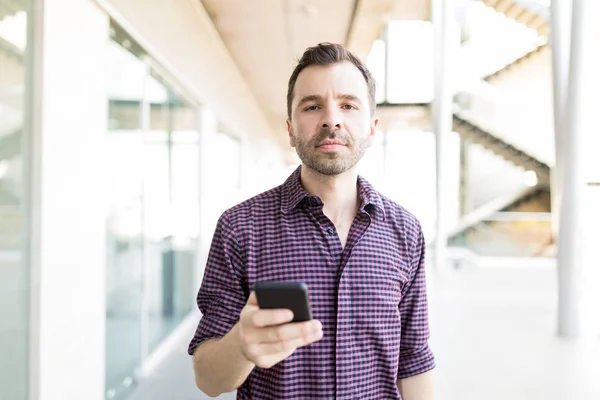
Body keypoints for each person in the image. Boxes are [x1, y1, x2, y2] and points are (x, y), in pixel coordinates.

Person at [188, 42, 435, 399]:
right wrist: (241, 347)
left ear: (372, 127)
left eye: (348, 105)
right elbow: (207, 380)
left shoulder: (406, 231)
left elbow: (412, 362)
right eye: (312, 105)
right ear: (290, 129)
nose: (331, 118)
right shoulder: (240, 228)